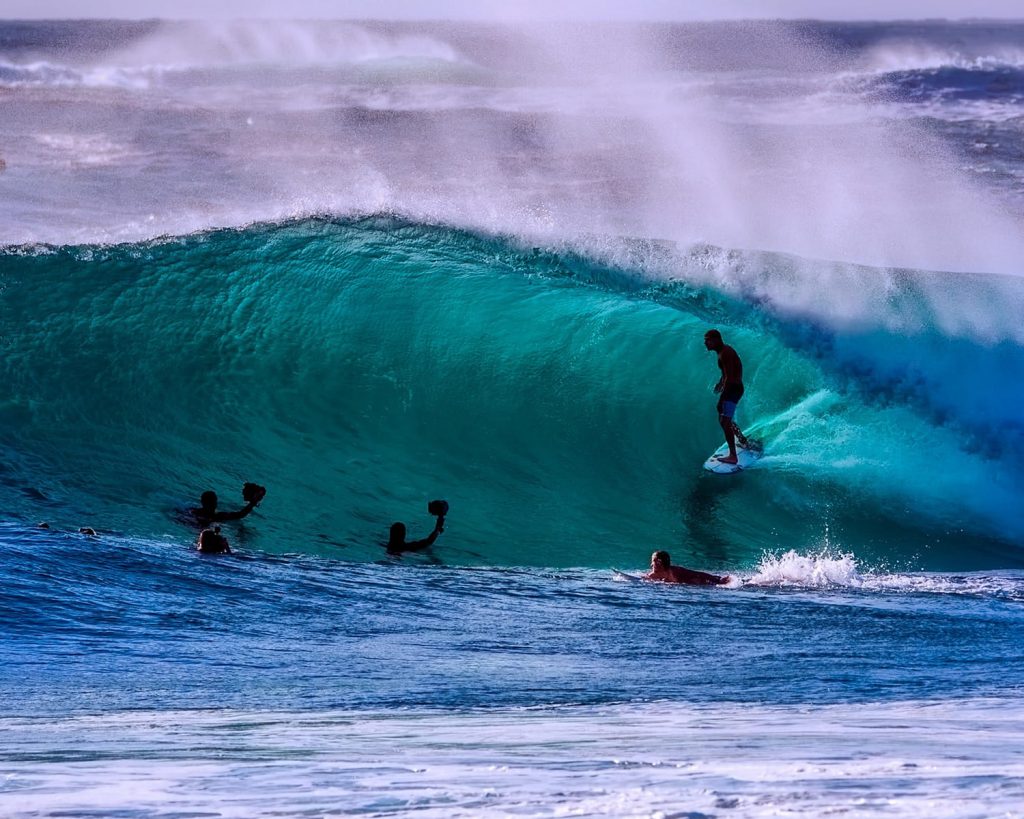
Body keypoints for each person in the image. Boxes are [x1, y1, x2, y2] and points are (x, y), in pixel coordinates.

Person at [703, 328, 753, 465]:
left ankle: (733, 456)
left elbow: (730, 378)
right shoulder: (723, 352)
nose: (705, 343)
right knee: (724, 419)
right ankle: (742, 440)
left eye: (708, 340)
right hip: (733, 388)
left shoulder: (725, 353)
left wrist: (721, 399)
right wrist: (720, 384)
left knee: (725, 421)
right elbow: (727, 374)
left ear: (716, 340)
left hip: (733, 389)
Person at [189, 483, 266, 527]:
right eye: (211, 502)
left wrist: (252, 503)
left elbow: (240, 515)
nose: (214, 504)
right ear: (203, 503)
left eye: (214, 502)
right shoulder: (195, 512)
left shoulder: (218, 516)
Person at [646, 550, 730, 586]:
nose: (651, 565)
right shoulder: (652, 575)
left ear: (659, 562)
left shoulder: (675, 571)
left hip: (697, 583)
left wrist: (717, 580)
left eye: (653, 561)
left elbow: (697, 574)